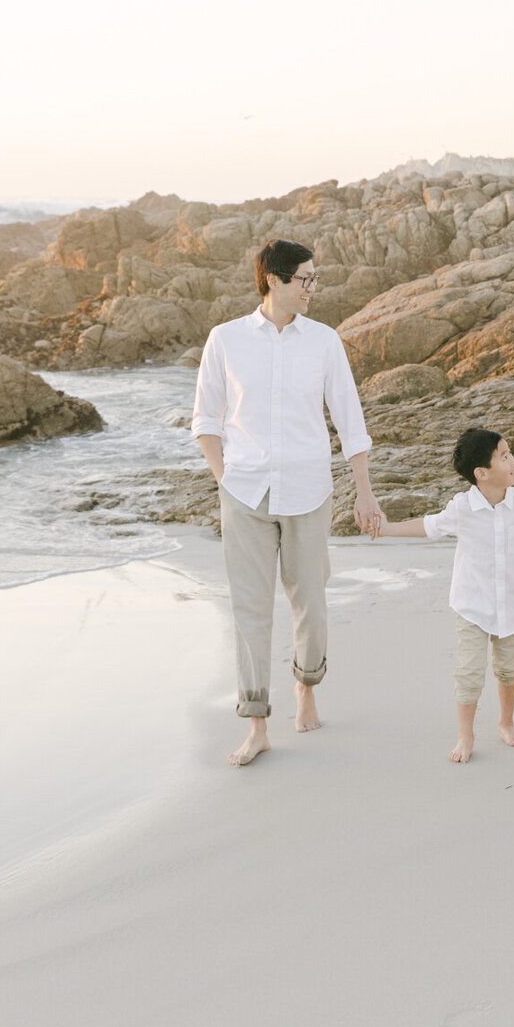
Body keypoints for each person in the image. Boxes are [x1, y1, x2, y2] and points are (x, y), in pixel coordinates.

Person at [192, 238, 381, 766]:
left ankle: (307, 686)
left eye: (313, 279)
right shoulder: (225, 340)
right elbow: (206, 420)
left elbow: (350, 419)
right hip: (245, 494)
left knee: (310, 602)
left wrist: (364, 492)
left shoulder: (324, 341)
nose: (312, 288)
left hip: (307, 490)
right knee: (250, 609)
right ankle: (256, 724)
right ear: (273, 280)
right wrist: (224, 478)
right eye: (305, 279)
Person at [378, 428, 514, 763]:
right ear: (482, 473)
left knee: (510, 668)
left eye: (510, 452)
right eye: (504, 456)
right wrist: (386, 528)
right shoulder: (462, 507)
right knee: (470, 672)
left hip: (513, 604)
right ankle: (466, 734)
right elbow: (428, 526)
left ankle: (506, 722)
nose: (513, 460)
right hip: (472, 605)